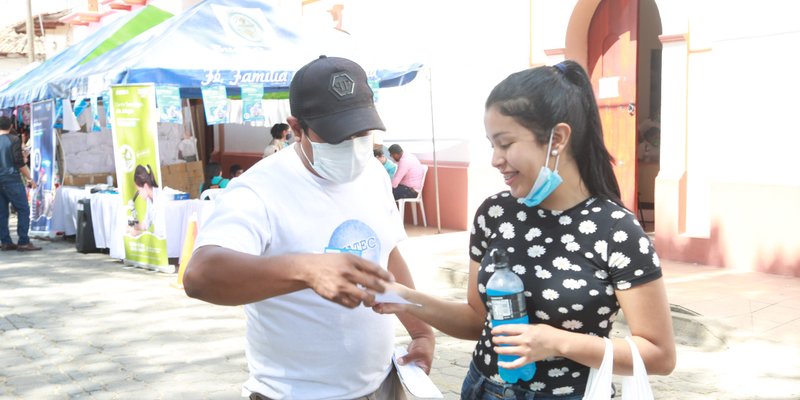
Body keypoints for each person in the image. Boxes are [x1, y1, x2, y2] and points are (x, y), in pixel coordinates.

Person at [373, 61, 676, 399]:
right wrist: (402, 297)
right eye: (491, 145)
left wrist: (556, 341)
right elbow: (477, 320)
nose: (495, 159)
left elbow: (659, 355)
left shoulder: (616, 231)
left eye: (505, 143)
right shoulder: (495, 213)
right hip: (483, 388)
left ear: (557, 139)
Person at [183, 56, 434, 400]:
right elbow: (200, 276)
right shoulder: (259, 188)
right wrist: (305, 269)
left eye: (362, 133)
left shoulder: (374, 175)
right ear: (296, 128)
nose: (353, 145)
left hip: (382, 383)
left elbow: (388, 254)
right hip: (294, 393)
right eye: (336, 136)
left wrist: (421, 332)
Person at [0, 116, 40, 251]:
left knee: (2, 212)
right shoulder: (14, 139)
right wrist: (30, 178)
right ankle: (23, 240)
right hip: (11, 179)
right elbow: (19, 162)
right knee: (23, 209)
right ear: (11, 126)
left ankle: (5, 241)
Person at [127, 164, 166, 239]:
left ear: (145, 186)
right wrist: (133, 227)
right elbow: (145, 224)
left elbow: (160, 234)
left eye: (139, 191)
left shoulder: (161, 199)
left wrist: (138, 233)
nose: (139, 194)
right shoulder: (149, 200)